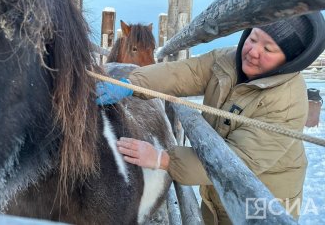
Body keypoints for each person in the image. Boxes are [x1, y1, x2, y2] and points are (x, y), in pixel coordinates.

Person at [96, 12, 325, 224]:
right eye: (253, 39)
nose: (253, 52)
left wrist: (162, 160)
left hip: (262, 201)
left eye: (269, 49)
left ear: (290, 59)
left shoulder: (286, 102)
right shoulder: (227, 60)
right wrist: (132, 83)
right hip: (216, 193)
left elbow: (240, 161)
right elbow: (184, 72)